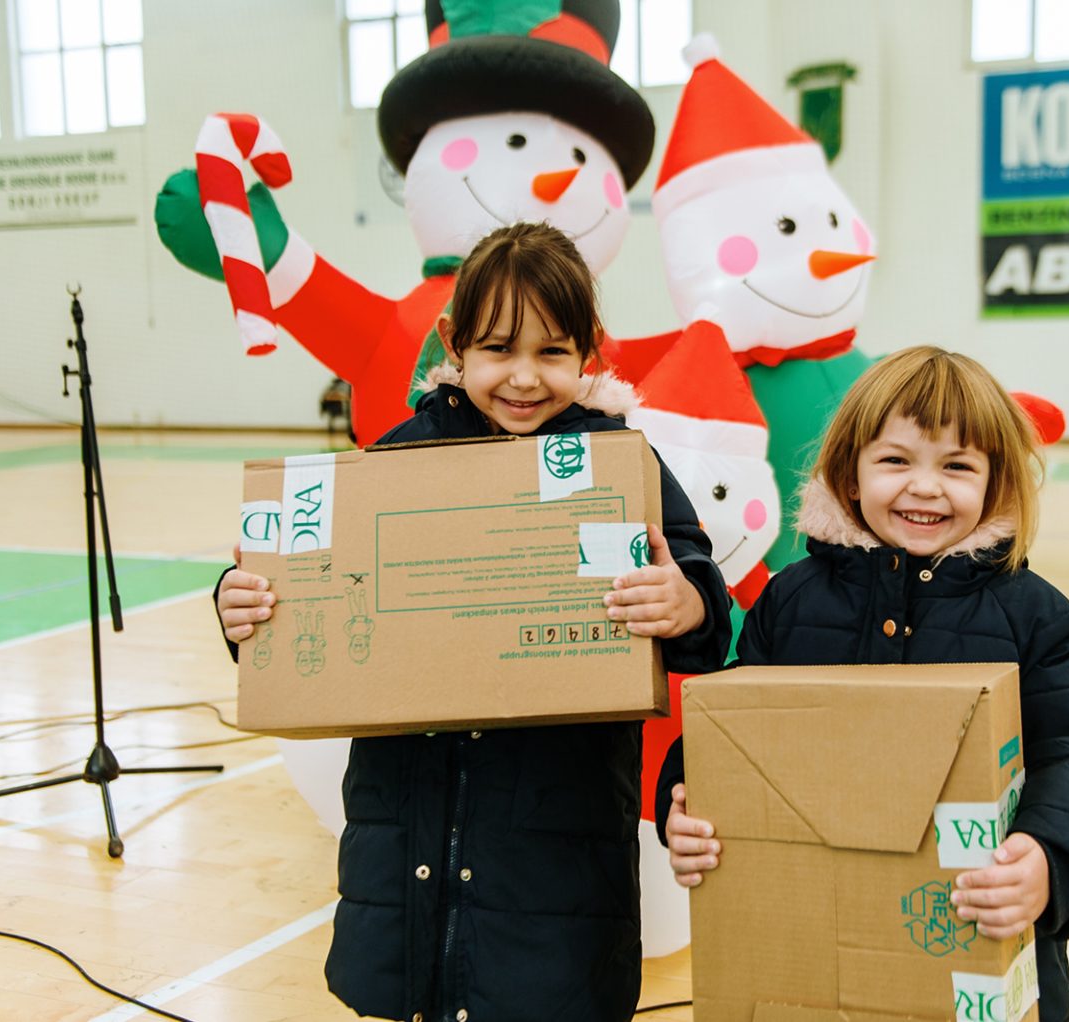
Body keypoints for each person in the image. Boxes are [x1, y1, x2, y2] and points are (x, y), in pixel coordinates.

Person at [217, 221, 733, 1022]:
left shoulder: (612, 461)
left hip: (556, 840)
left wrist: (687, 601)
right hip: (408, 832)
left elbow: (701, 592)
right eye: (498, 349)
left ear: (589, 352)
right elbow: (297, 580)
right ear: (454, 345)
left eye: (553, 352)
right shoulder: (398, 462)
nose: (524, 378)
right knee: (414, 986)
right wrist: (244, 604)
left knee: (547, 995)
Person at [655, 346, 1069, 1022]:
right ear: (850, 474)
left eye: (957, 466)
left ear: (995, 486)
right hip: (810, 946)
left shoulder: (1035, 615)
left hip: (977, 934)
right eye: (896, 460)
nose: (926, 487)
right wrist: (687, 802)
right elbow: (731, 727)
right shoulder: (792, 601)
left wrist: (1049, 859)